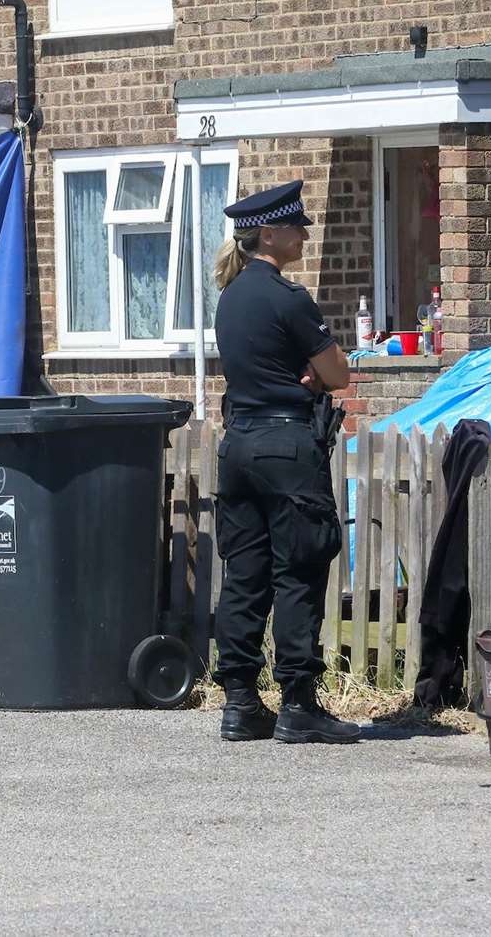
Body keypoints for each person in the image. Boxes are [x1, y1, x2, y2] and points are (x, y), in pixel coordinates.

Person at [211, 180, 358, 744]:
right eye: (296, 227)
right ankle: (298, 703)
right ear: (267, 234)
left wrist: (305, 370)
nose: (303, 235)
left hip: (239, 445)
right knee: (298, 570)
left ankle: (241, 703)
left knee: (244, 576)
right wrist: (313, 373)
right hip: (288, 445)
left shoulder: (230, 298)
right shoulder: (289, 298)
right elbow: (339, 374)